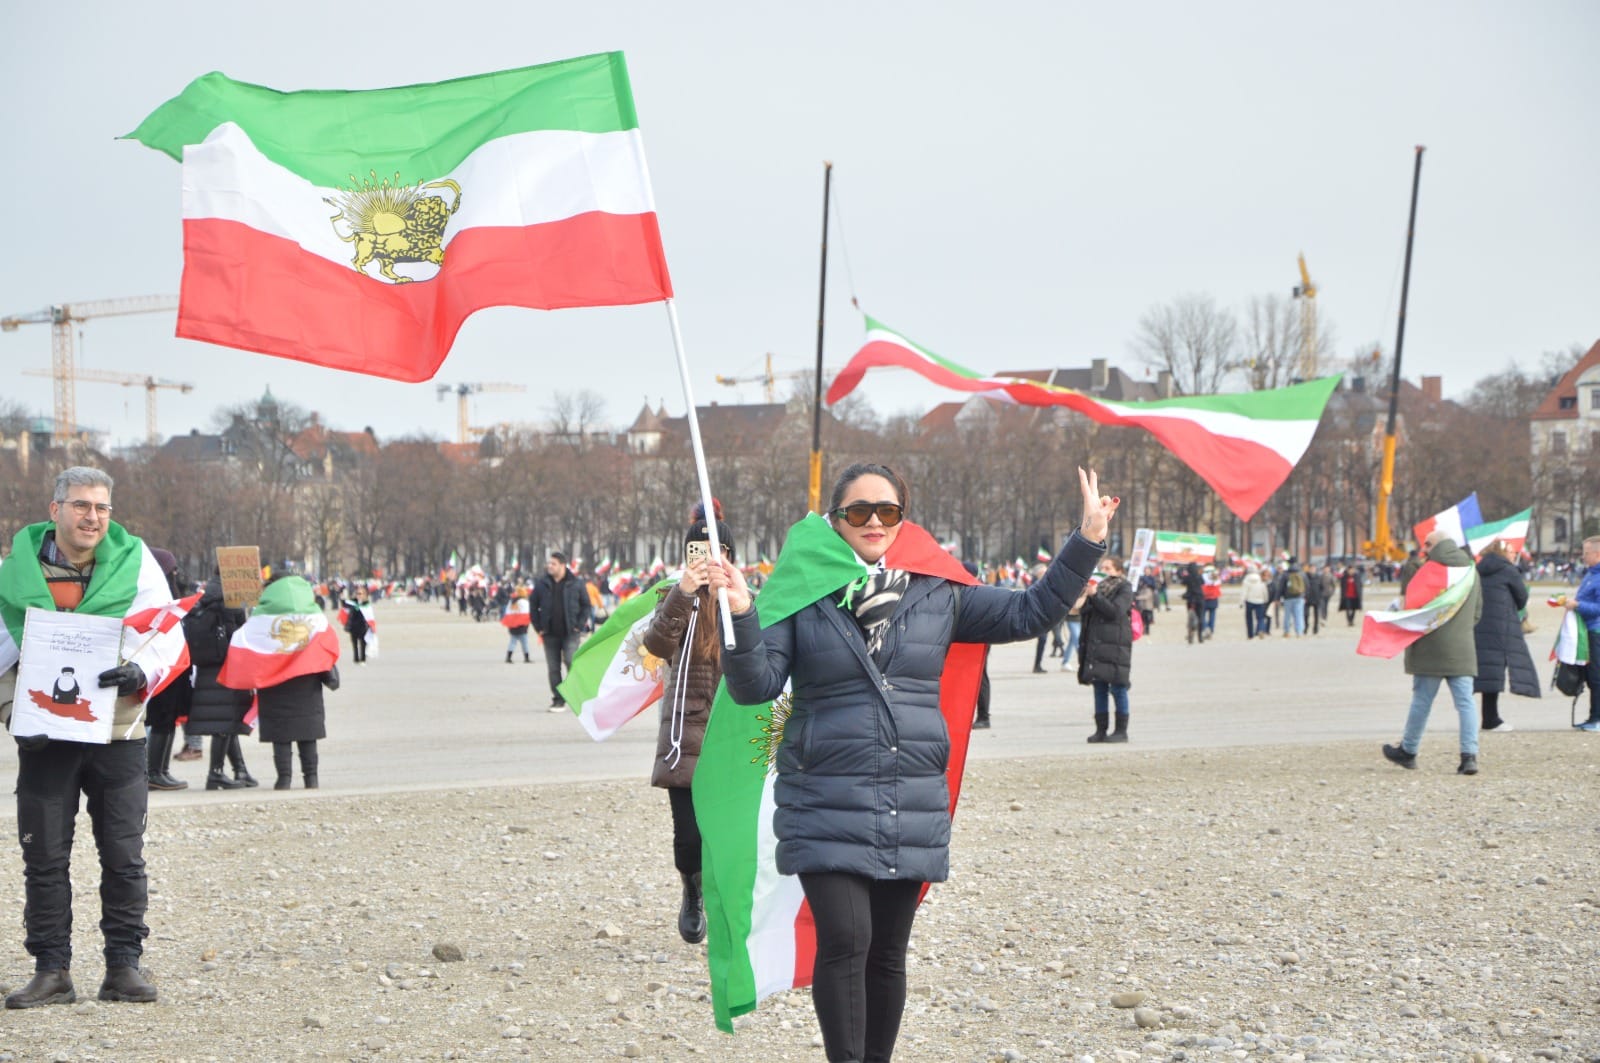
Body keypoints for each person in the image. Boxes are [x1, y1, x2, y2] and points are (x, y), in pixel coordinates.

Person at [715, 462, 1114, 1063]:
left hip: (910, 799)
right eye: (859, 511)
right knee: (845, 939)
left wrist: (1087, 539)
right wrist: (743, 614)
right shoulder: (798, 593)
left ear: (903, 517)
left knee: (885, 953)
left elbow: (1030, 612)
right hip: (823, 798)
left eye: (888, 511)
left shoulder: (937, 590)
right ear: (836, 520)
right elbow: (755, 687)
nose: (874, 522)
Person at [0, 466, 184, 1007]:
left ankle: (123, 966)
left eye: (102, 507)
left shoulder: (136, 561)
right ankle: (51, 970)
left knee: (124, 856)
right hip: (46, 738)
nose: (93, 517)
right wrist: (13, 714)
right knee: (44, 859)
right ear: (55, 509)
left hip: (118, 733)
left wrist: (139, 672)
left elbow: (165, 632)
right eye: (81, 505)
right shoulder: (16, 571)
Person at [642, 501, 733, 944]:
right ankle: (692, 890)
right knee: (689, 834)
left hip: (731, 727)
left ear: (728, 555)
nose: (706, 559)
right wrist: (683, 592)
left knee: (730, 827)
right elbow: (657, 645)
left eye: (715, 551)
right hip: (686, 727)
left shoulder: (743, 598)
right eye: (697, 551)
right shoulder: (674, 598)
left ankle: (727, 899)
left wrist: (735, 598)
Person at [1382, 530, 1485, 775]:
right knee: (1466, 703)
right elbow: (1477, 613)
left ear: (1431, 545)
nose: (1423, 550)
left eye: (1426, 546)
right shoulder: (1471, 571)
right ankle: (1469, 756)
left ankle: (1408, 751)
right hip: (1462, 648)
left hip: (1430, 648)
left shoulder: (1428, 571)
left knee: (1422, 701)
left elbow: (1413, 608)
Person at [249, 576, 340, 789]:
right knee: (307, 734)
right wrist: (329, 675)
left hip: (274, 684)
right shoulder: (310, 614)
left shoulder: (260, 617)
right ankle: (311, 778)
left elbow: (250, 647)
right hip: (306, 683)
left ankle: (284, 778)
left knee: (281, 736)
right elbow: (321, 646)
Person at [1472, 539, 1540, 732]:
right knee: (1495, 669)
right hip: (1501, 625)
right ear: (1502, 552)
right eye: (1511, 551)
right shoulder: (1508, 570)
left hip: (1479, 624)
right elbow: (1522, 597)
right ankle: (1491, 719)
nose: (1514, 554)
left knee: (1486, 669)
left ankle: (1486, 717)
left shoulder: (1478, 569)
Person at [143, 548, 190, 791]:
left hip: (173, 661)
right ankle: (154, 771)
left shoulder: (170, 595)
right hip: (161, 663)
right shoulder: (154, 596)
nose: (176, 574)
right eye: (173, 570)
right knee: (162, 717)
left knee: (169, 718)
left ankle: (162, 769)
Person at [1079, 556, 1135, 743]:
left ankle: (1121, 730)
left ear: (1119, 571)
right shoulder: (1096, 588)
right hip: (1097, 644)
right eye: (1102, 568)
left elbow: (1115, 611)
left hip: (1116, 644)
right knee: (1099, 686)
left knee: (1118, 687)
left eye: (1108, 568)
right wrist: (1086, 595)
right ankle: (1100, 729)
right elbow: (1083, 612)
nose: (1104, 571)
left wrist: (1096, 596)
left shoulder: (1124, 587)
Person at [531, 550, 593, 711]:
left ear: (562, 565)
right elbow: (533, 605)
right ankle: (558, 699)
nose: (549, 566)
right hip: (549, 633)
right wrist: (538, 627)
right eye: (549, 563)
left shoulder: (576, 583)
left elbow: (586, 605)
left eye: (553, 564)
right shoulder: (542, 584)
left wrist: (579, 625)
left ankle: (576, 694)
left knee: (571, 661)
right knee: (553, 668)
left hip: (571, 632)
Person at [1564, 535, 1600, 731]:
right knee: (1590, 674)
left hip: (1596, 630)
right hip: (1587, 630)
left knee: (1596, 675)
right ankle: (1593, 716)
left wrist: (1577, 605)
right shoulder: (1590, 574)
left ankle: (1597, 718)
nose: (1583, 556)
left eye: (1586, 553)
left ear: (1597, 554)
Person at [1277, 557, 1307, 638]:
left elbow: (1281, 587)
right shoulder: (1302, 573)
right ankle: (1299, 632)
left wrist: (1277, 598)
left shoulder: (1286, 574)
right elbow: (1307, 585)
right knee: (1299, 615)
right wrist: (1305, 595)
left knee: (1287, 615)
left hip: (1288, 597)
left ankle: (1287, 631)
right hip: (1299, 597)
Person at [502, 588, 533, 664]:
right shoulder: (524, 602)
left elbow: (507, 613)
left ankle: (508, 657)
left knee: (512, 642)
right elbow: (529, 613)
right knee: (525, 643)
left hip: (512, 626)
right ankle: (526, 658)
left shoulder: (511, 602)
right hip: (522, 626)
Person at [342, 587, 370, 664]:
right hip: (353, 626)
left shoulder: (366, 603)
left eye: (361, 594)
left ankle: (363, 659)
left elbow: (369, 616)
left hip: (363, 626)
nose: (359, 595)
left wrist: (371, 626)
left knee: (363, 643)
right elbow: (345, 605)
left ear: (364, 595)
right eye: (358, 593)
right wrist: (343, 597)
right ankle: (356, 658)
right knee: (354, 643)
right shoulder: (353, 602)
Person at [1241, 564, 1269, 639]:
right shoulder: (1259, 579)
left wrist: (1241, 602)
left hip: (1249, 601)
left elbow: (1244, 592)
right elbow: (1264, 589)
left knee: (1249, 618)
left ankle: (1250, 635)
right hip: (1260, 600)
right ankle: (1260, 629)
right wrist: (1266, 599)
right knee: (1260, 617)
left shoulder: (1246, 580)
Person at [1181, 562, 1206, 643]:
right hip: (1199, 598)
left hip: (1191, 599)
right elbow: (1203, 582)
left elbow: (1182, 582)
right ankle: (1200, 636)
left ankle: (1190, 633)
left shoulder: (1188, 577)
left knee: (1190, 616)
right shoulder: (1199, 576)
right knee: (1201, 617)